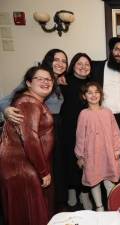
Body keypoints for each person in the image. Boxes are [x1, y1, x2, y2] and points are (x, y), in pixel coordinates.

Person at [0, 49, 68, 211]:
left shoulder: (59, 81)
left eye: (64, 61)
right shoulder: (35, 82)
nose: (60, 63)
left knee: (55, 172)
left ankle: (54, 209)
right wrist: (6, 110)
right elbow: (6, 100)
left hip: (52, 128)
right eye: (56, 59)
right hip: (35, 129)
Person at [0, 65, 56, 225]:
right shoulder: (28, 102)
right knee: (31, 215)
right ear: (28, 83)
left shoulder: (33, 101)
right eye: (40, 78)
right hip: (23, 169)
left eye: (49, 79)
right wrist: (43, 171)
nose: (46, 82)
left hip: (26, 167)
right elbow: (30, 139)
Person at [75, 82, 120, 211]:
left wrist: (117, 149)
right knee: (94, 181)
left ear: (100, 95)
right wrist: (80, 156)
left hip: (108, 153)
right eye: (89, 93)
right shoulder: (83, 114)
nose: (93, 95)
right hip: (92, 155)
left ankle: (111, 206)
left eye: (96, 92)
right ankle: (99, 207)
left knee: (109, 182)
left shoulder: (107, 112)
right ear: (84, 96)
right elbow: (80, 137)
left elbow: (115, 132)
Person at [91, 37, 120, 172]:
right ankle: (102, 178)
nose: (119, 53)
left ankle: (118, 178)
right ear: (111, 50)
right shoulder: (96, 67)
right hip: (101, 115)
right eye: (117, 49)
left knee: (119, 148)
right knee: (100, 149)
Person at [60, 53, 93, 209]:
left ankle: (84, 193)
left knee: (86, 162)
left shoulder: (92, 84)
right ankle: (72, 190)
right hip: (67, 128)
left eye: (87, 64)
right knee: (69, 161)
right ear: (73, 65)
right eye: (79, 63)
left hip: (87, 130)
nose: (83, 67)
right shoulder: (63, 82)